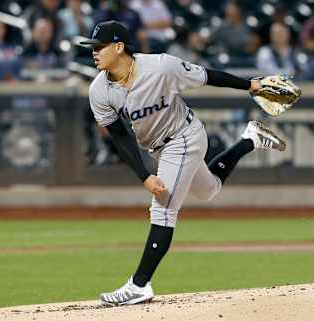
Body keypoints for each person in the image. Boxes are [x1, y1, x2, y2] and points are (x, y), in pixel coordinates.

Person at [81, 20, 287, 305]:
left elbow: (207, 76)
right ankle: (250, 139)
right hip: (157, 149)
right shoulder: (99, 91)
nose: (94, 52)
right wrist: (143, 174)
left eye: (99, 47)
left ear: (119, 47)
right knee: (209, 190)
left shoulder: (161, 67)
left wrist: (251, 85)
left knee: (163, 209)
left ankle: (139, 284)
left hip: (184, 136)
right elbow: (119, 136)